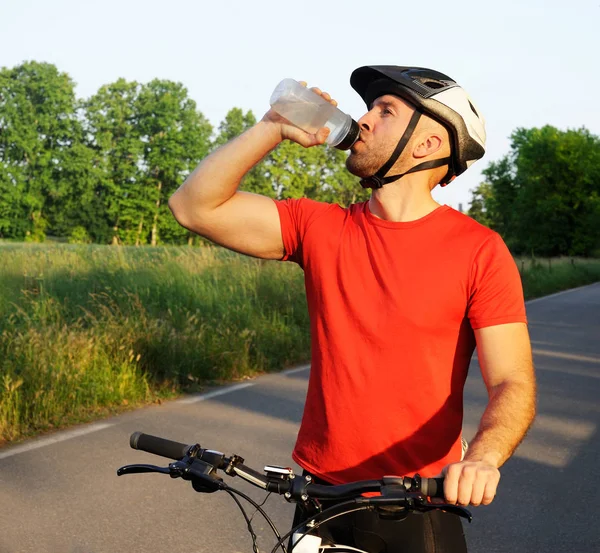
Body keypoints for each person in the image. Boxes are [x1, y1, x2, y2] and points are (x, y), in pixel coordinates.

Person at [168, 66, 536, 552]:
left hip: (416, 503)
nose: (362, 120)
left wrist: (483, 458)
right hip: (319, 496)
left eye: (385, 111)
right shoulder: (320, 227)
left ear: (426, 145)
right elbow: (194, 207)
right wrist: (272, 127)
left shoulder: (479, 251)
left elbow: (513, 382)